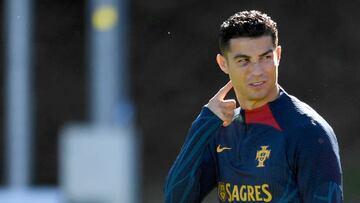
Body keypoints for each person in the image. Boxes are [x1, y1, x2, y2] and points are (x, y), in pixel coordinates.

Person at [164, 10, 343, 203]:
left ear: (278, 55)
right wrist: (203, 124)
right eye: (244, 61)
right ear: (223, 64)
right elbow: (176, 199)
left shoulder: (308, 131)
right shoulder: (220, 129)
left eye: (265, 57)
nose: (257, 72)